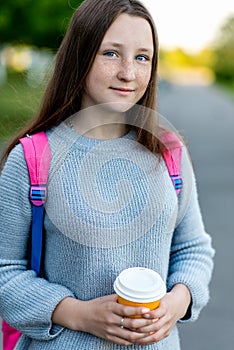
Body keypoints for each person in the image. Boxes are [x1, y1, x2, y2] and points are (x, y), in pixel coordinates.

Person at [0, 0, 214, 349]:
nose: (128, 73)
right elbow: (4, 270)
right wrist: (78, 314)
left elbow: (193, 248)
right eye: (111, 54)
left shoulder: (168, 151)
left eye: (142, 57)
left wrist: (177, 303)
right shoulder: (32, 159)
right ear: (80, 58)